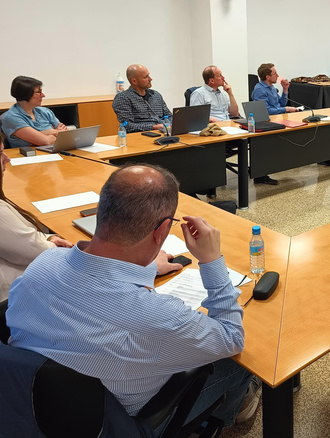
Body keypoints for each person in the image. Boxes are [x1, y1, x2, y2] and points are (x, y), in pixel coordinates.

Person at [6, 164, 260, 432]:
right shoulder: (159, 317)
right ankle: (233, 414)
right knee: (243, 363)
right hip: (114, 424)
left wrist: (146, 266)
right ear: (161, 230)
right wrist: (212, 261)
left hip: (28, 400)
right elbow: (232, 338)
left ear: (102, 209)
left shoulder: (44, 262)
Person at [0, 133, 73, 299]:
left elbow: (18, 239)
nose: (7, 159)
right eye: (0, 154)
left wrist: (48, 238)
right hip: (14, 298)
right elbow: (36, 252)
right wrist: (50, 244)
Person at [2, 76, 68, 148]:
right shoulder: (11, 118)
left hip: (55, 151)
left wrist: (39, 137)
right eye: (38, 92)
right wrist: (53, 131)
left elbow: (65, 135)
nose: (43, 95)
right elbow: (46, 142)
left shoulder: (45, 111)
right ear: (26, 94)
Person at [112, 64, 172, 133]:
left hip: (163, 132)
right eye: (146, 77)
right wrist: (154, 127)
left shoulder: (156, 95)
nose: (150, 79)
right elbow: (127, 126)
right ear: (134, 81)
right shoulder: (123, 98)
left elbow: (169, 116)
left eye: (149, 75)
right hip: (140, 136)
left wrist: (169, 125)